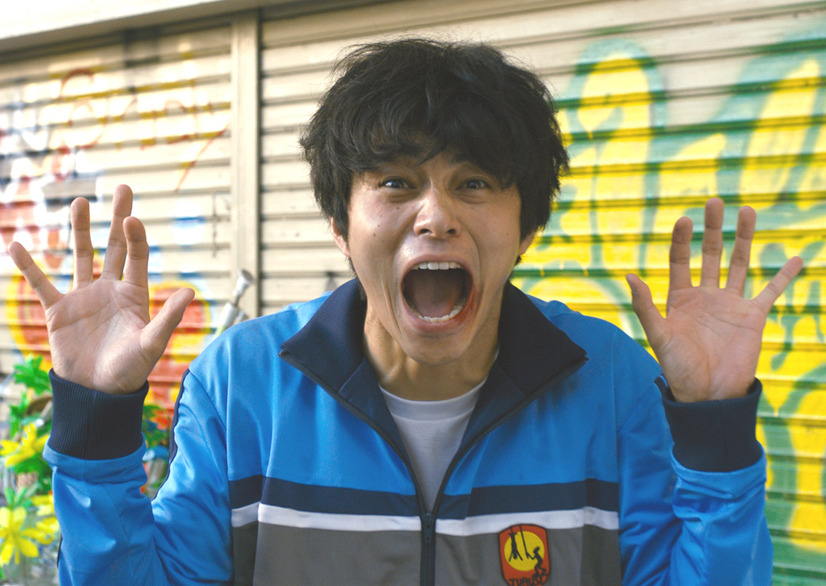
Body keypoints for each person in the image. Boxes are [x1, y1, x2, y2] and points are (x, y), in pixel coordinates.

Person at [8, 39, 802, 585]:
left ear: (525, 228)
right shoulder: (243, 382)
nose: (436, 216)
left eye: (474, 183)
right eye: (394, 182)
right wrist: (97, 423)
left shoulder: (612, 380)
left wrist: (716, 430)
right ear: (340, 224)